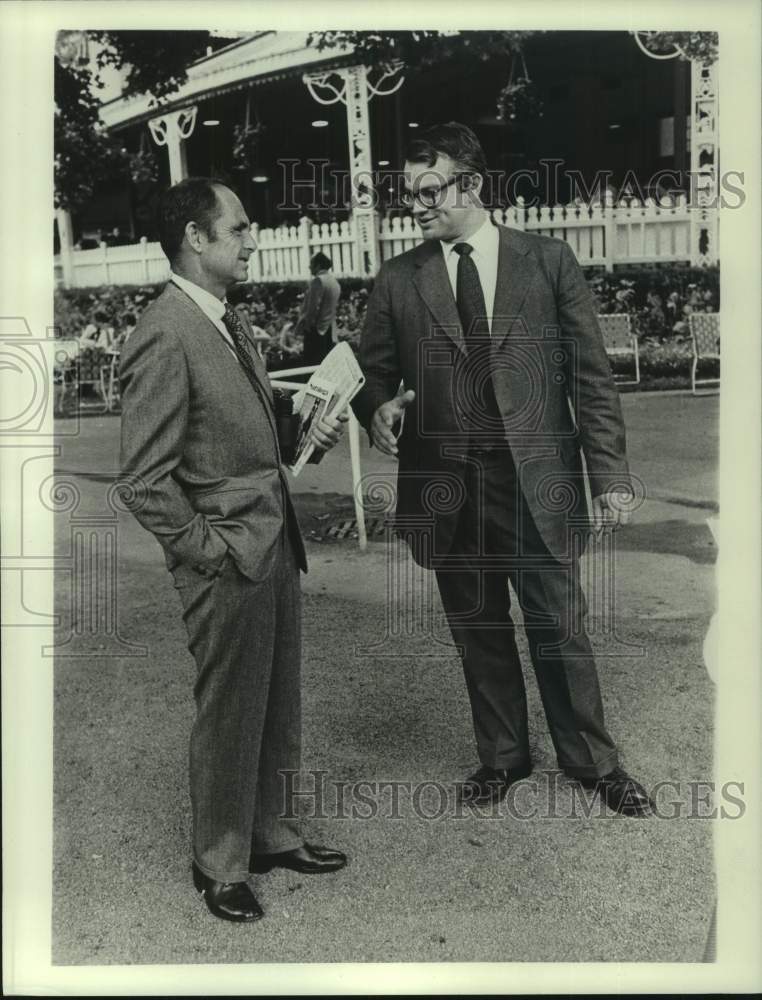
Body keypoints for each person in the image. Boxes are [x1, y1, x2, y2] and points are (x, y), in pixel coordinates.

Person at [352, 123, 652, 816]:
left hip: (535, 482)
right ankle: (502, 757)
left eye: (430, 191)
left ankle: (593, 761)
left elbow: (592, 378)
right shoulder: (399, 279)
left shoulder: (547, 261)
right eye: (409, 194)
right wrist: (377, 409)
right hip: (447, 485)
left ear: (473, 186)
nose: (416, 206)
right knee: (476, 627)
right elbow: (373, 374)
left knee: (560, 624)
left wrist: (609, 477)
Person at [119, 177, 348, 924]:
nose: (252, 240)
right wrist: (209, 551)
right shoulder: (166, 330)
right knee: (228, 711)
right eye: (240, 228)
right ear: (196, 237)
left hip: (272, 539)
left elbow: (246, 428)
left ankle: (270, 833)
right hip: (229, 555)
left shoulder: (223, 318)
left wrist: (307, 421)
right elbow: (143, 481)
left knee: (276, 696)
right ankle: (218, 862)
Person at [294, 252, 341, 366]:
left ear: (318, 265)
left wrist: (306, 327)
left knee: (312, 364)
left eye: (311, 264)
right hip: (329, 329)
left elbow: (313, 308)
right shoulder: (334, 282)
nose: (309, 267)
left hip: (316, 330)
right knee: (326, 365)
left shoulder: (318, 281)